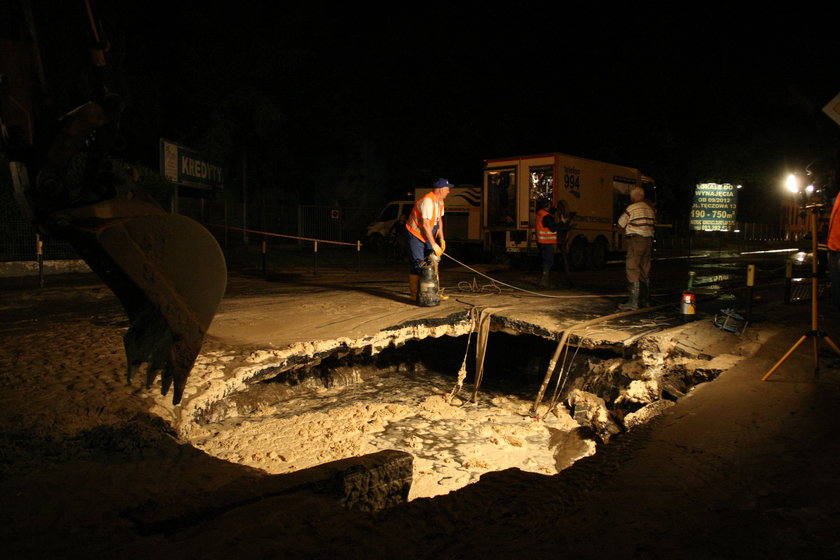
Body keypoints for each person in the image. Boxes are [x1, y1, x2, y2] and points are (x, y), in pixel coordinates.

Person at [405, 178, 451, 301]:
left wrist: (441, 239)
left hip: (427, 235)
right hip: (416, 235)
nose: (449, 192)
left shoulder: (440, 201)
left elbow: (439, 221)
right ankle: (415, 294)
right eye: (447, 189)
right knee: (418, 264)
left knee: (433, 261)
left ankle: (434, 292)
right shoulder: (427, 201)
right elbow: (425, 225)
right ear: (441, 190)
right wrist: (433, 244)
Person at [617, 186, 656, 310]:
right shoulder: (649, 209)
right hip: (648, 241)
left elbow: (620, 223)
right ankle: (645, 301)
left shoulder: (632, 208)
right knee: (645, 269)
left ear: (633, 197)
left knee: (632, 268)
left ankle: (633, 303)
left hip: (636, 240)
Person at [535, 198, 559, 288]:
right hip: (547, 242)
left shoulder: (540, 213)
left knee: (545, 260)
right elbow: (553, 227)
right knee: (548, 261)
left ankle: (544, 281)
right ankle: (544, 282)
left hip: (541, 242)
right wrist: (562, 224)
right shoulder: (547, 216)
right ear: (548, 205)